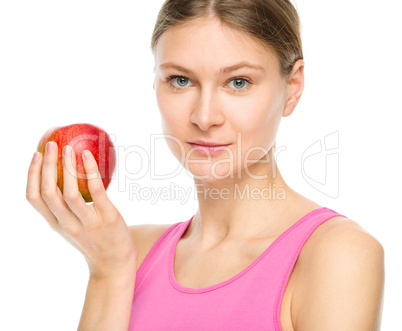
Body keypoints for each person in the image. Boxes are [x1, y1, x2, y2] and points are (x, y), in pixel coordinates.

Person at [26, 0, 385, 330]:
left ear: (292, 87)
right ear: (156, 83)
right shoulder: (126, 251)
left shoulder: (337, 255)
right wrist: (108, 272)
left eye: (238, 82)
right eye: (180, 81)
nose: (204, 116)